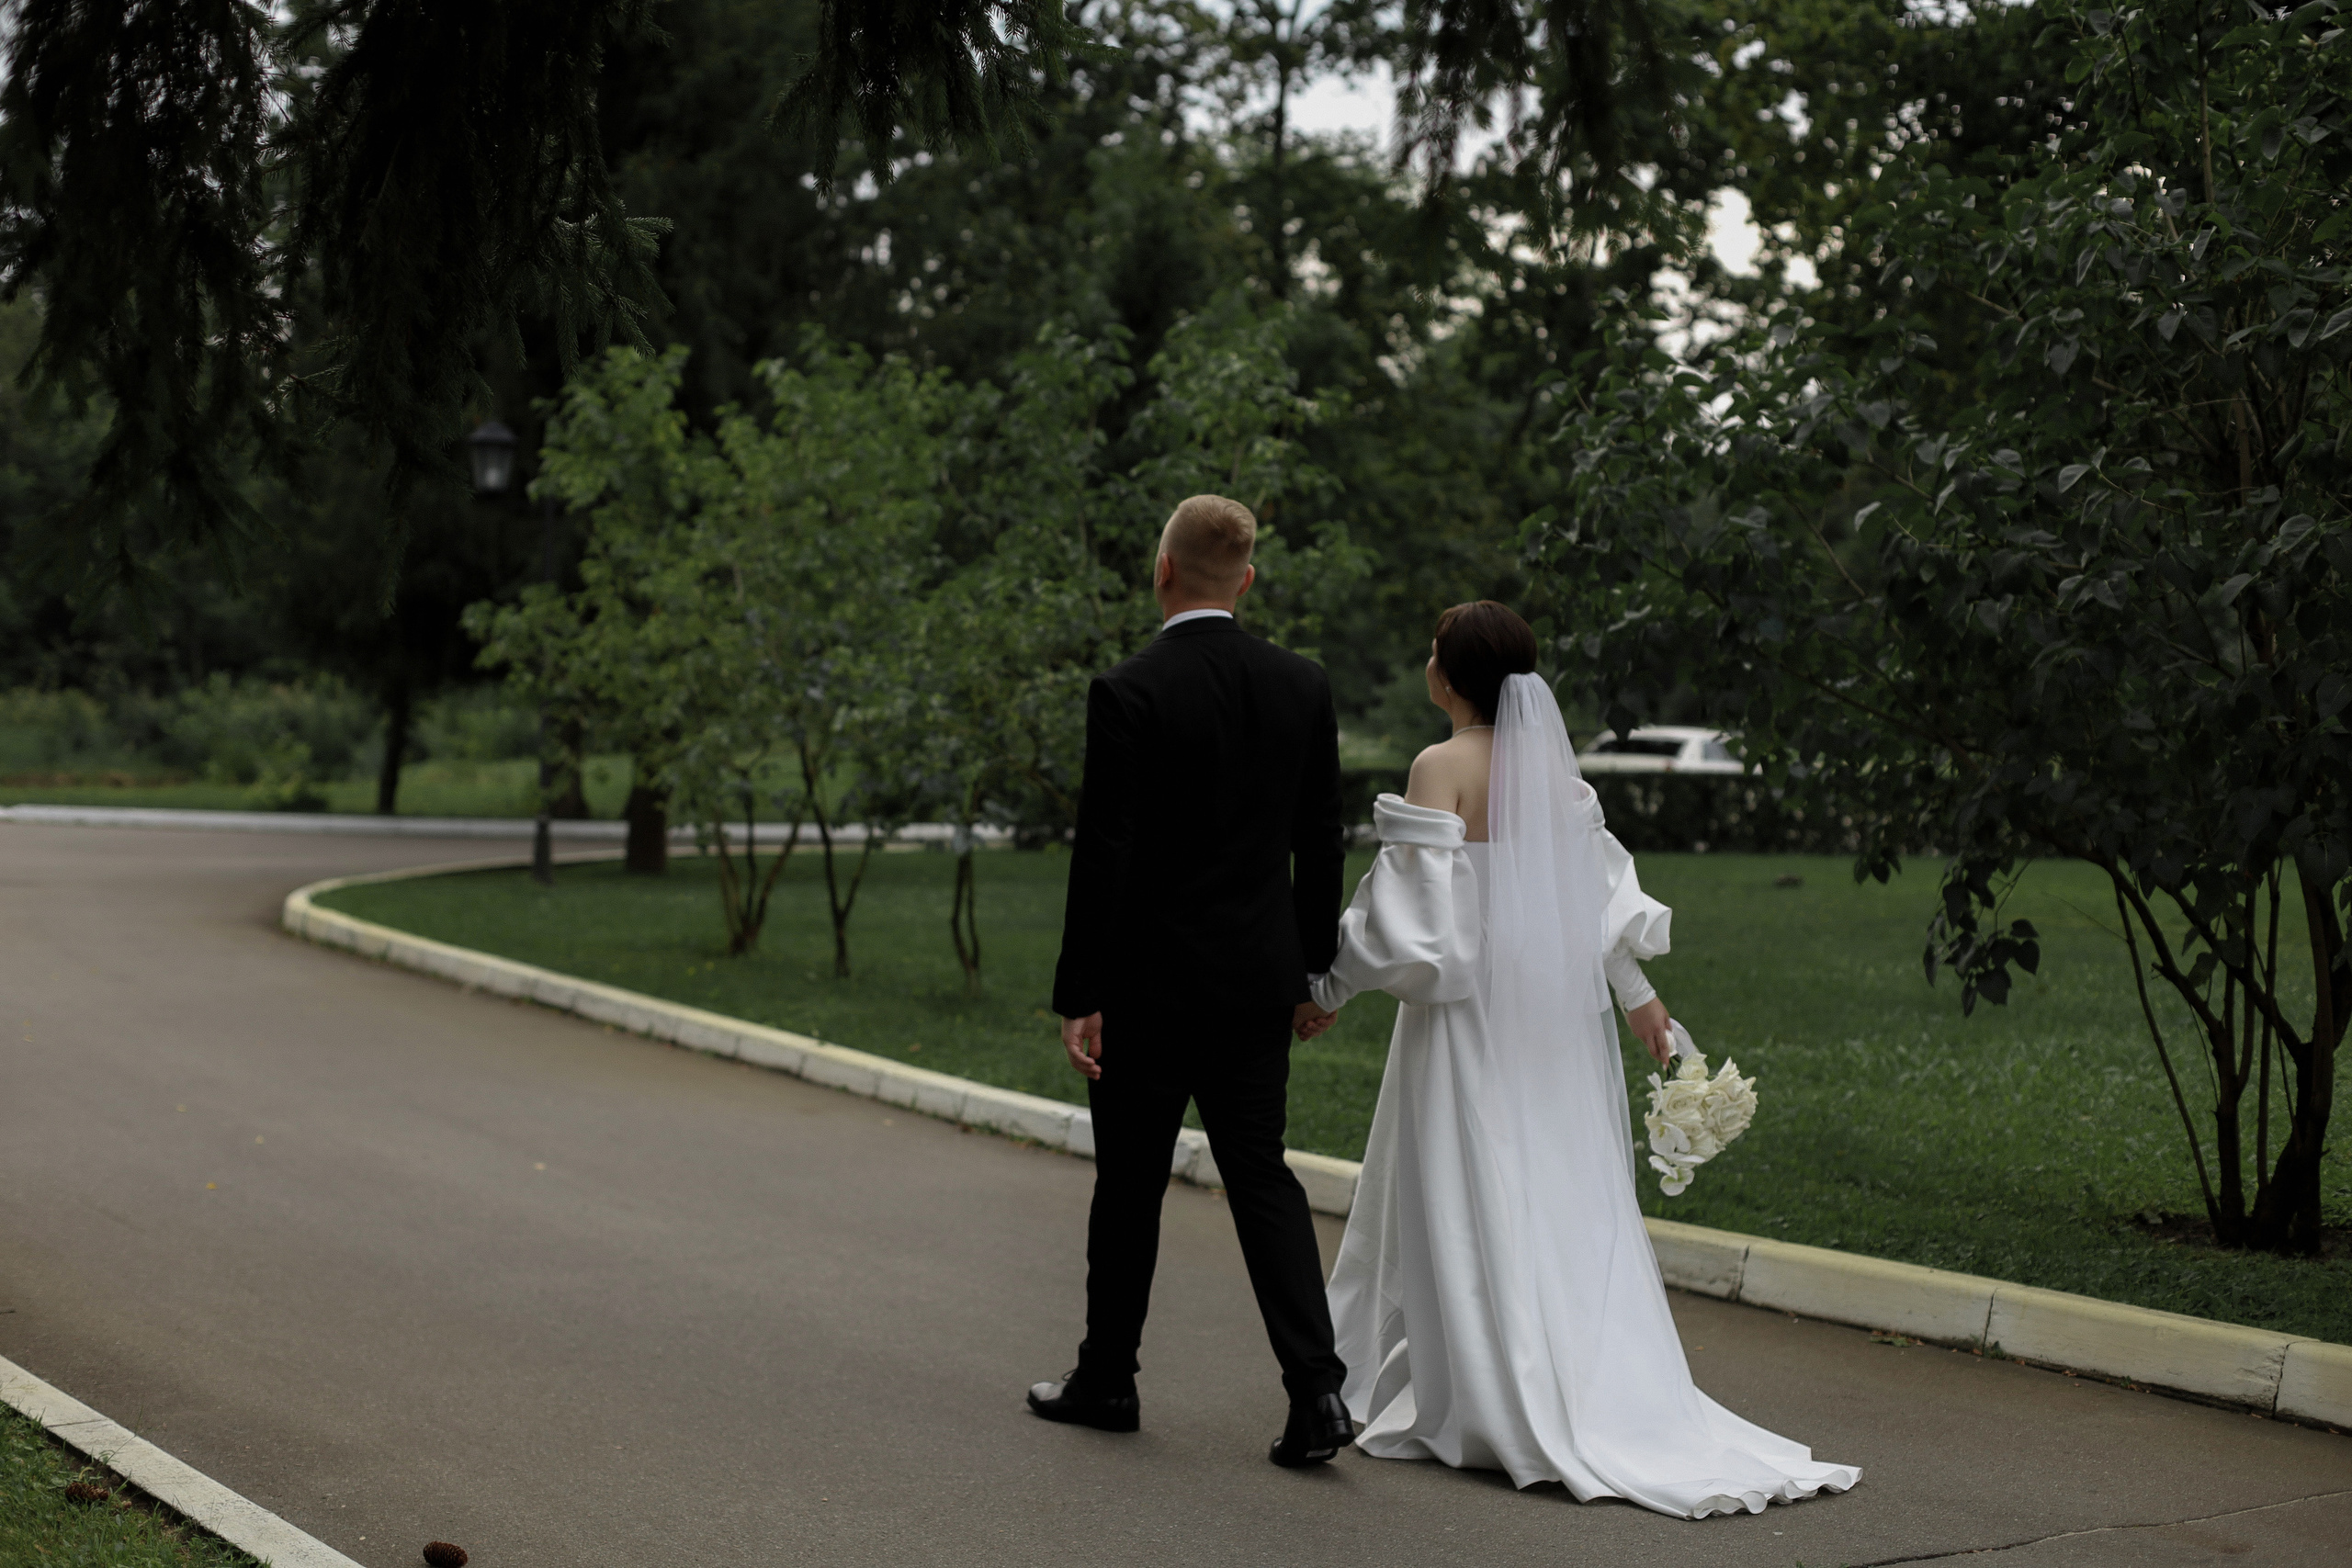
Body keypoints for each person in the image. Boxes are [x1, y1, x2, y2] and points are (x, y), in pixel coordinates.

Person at [1295, 601, 1861, 1517]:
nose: (1425, 662)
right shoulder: (1557, 781)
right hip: (1550, 1028)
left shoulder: (1441, 766)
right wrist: (1640, 1004)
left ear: (1448, 677)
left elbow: (1406, 918)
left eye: (1431, 651)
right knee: (1549, 1183)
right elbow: (1594, 907)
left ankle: (1484, 1389)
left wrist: (1322, 991)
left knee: (1463, 1181)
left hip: (1468, 1025)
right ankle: (1565, 1373)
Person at [1027, 493, 1356, 1468]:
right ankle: (1317, 1399)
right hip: (1258, 982)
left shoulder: (1128, 689)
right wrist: (1315, 974)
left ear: (1160, 570)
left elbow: (1107, 854)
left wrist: (1080, 992)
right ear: (1244, 580)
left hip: (1148, 988)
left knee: (1129, 1184)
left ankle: (1107, 1380)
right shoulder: (1302, 684)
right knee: (1261, 1176)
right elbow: (1321, 839)